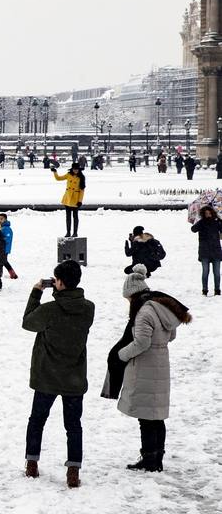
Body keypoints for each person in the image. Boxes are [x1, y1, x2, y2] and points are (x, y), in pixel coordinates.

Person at [106, 266, 191, 472]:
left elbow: (141, 343)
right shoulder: (160, 307)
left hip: (145, 366)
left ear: (132, 294)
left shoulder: (144, 312)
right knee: (157, 415)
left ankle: (149, 459)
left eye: (127, 298)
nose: (127, 302)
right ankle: (157, 457)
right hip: (161, 362)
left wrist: (121, 354)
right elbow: (171, 335)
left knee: (145, 417)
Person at [22, 260, 95, 488]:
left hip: (47, 376)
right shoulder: (88, 308)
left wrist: (36, 292)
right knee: (73, 425)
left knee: (37, 421)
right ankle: (73, 470)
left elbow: (28, 323)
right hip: (74, 376)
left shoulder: (50, 310)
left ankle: (32, 463)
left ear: (60, 282)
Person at [191, 205, 222, 295]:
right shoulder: (201, 223)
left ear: (212, 213)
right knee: (205, 272)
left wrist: (220, 220)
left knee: (217, 273)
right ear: (203, 214)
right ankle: (204, 290)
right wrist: (199, 222)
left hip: (216, 251)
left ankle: (217, 290)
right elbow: (193, 229)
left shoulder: (217, 222)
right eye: (206, 213)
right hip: (204, 251)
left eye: (209, 213)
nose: (208, 214)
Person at [53, 162, 86, 238]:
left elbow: (82, 190)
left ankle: (75, 232)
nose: (75, 171)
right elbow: (58, 178)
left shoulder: (81, 177)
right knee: (68, 217)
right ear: (72, 169)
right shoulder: (68, 175)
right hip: (67, 199)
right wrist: (55, 172)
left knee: (75, 217)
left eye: (77, 169)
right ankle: (68, 232)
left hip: (75, 199)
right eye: (74, 169)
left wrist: (80, 201)